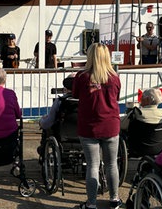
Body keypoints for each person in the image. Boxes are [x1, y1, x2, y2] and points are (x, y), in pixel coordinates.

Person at [72, 43, 122, 209]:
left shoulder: (82, 77)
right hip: (110, 126)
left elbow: (75, 95)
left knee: (92, 165)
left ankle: (91, 203)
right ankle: (114, 199)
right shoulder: (114, 77)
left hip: (89, 127)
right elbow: (116, 97)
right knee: (111, 164)